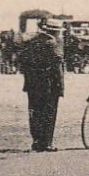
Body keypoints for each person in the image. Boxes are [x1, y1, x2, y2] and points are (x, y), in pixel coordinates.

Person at [19, 19, 64, 151]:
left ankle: (36, 141)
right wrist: (61, 86)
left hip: (32, 84)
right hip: (49, 84)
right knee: (49, 113)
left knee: (35, 112)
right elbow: (58, 67)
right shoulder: (52, 44)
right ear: (55, 31)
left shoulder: (32, 41)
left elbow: (23, 61)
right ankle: (47, 142)